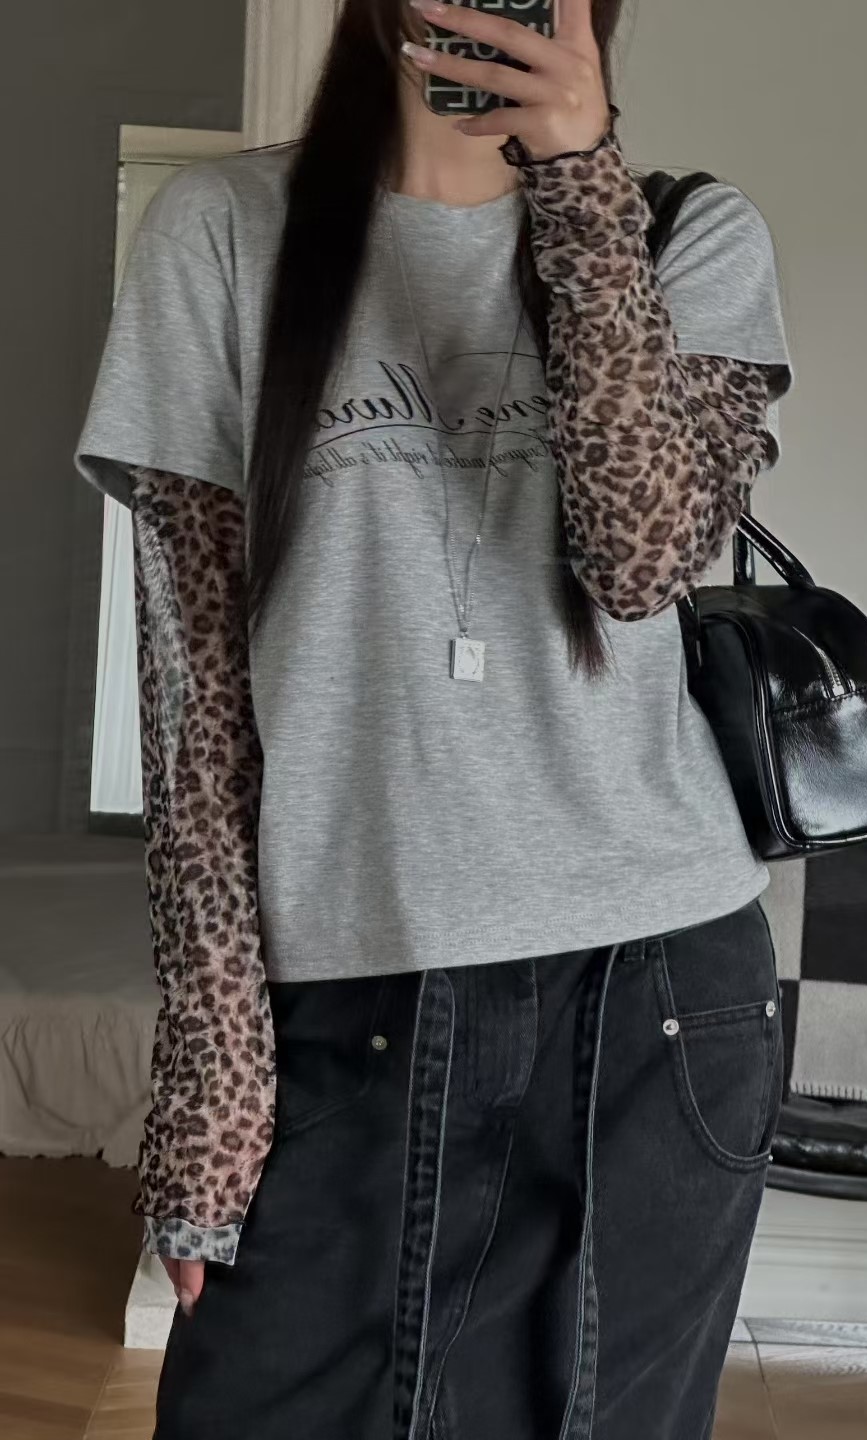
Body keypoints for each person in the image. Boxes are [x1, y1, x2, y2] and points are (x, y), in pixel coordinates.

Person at [74, 1, 794, 1435]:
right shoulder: (222, 233)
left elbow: (642, 559)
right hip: (348, 992)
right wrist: (214, 1071)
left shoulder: (687, 235)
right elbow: (195, 700)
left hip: (649, 995)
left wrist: (578, 180)